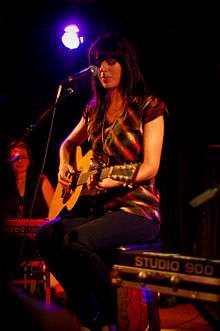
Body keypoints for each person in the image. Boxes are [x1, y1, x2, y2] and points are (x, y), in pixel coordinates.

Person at [36, 32, 168, 331]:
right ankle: (87, 314)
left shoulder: (148, 106)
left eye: (111, 62)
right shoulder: (93, 110)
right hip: (101, 210)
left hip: (138, 211)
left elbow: (150, 167)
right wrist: (65, 164)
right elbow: (66, 145)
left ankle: (112, 319)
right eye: (98, 64)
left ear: (126, 64)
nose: (104, 69)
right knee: (46, 235)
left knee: (77, 240)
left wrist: (111, 181)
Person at [0, 139, 54, 276]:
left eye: (23, 157)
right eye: (15, 158)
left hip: (37, 242)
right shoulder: (5, 185)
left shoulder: (41, 181)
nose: (20, 161)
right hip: (11, 242)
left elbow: (55, 212)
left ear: (29, 160)